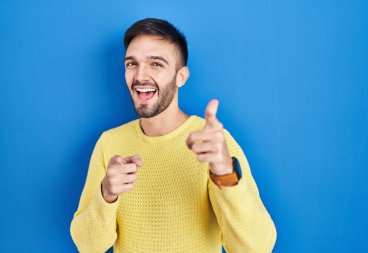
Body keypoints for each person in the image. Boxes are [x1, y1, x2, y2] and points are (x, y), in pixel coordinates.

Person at [70, 18, 276, 253]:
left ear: (181, 76)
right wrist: (106, 195)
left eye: (156, 64)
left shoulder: (214, 144)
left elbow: (257, 248)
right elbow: (88, 246)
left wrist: (225, 174)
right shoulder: (109, 143)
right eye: (131, 64)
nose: (140, 76)